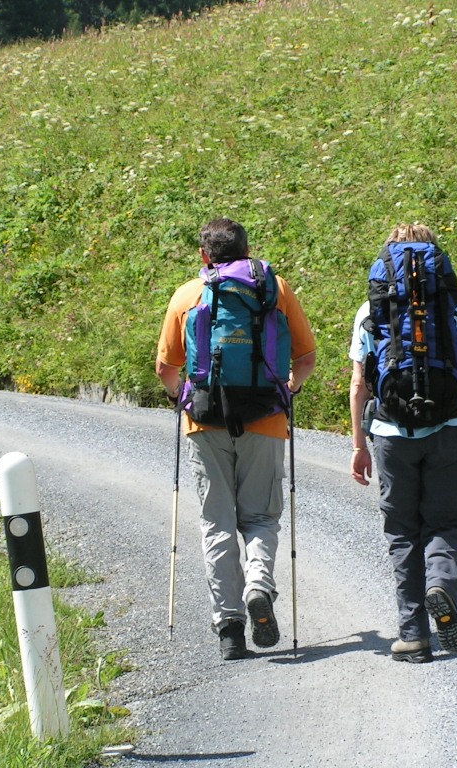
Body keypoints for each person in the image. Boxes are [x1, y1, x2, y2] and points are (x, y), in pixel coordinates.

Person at [156, 218, 316, 661]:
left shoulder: (188, 294)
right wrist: (288, 388)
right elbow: (305, 356)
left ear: (204, 255)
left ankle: (230, 629)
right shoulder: (274, 289)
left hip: (205, 421)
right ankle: (259, 586)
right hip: (265, 417)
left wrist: (181, 397)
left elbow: (166, 370)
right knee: (262, 517)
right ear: (248, 252)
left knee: (217, 523)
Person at [348, 223, 457, 663]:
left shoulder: (372, 305)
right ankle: (440, 582)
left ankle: (413, 635)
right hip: (450, 424)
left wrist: (358, 443)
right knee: (447, 522)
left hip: (390, 432)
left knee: (403, 531)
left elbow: (358, 385)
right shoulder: (454, 302)